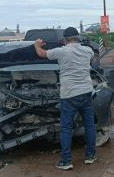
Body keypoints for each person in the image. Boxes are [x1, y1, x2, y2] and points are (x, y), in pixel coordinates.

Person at [34, 27, 96, 170]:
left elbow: (41, 53)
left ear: (65, 39)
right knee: (89, 125)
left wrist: (36, 45)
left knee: (66, 128)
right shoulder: (87, 50)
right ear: (78, 37)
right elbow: (92, 56)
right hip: (86, 91)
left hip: (69, 95)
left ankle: (66, 161)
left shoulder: (61, 51)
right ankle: (91, 156)